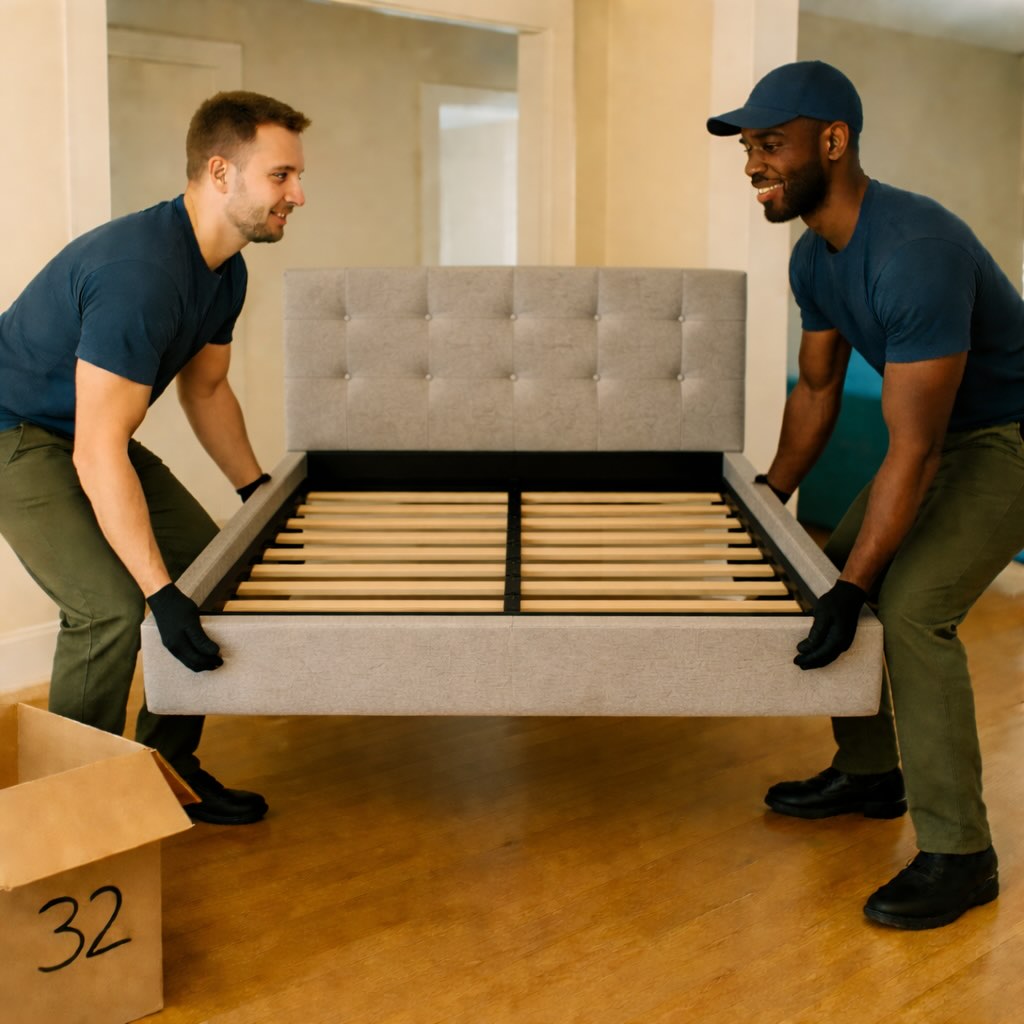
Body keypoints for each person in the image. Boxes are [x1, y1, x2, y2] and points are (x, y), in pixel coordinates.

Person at [707, 61, 1024, 929]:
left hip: (1007, 439)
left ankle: (962, 856)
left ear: (834, 141)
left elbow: (916, 451)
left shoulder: (915, 252)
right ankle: (874, 772)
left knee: (911, 607)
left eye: (770, 144)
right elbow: (815, 392)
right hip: (941, 439)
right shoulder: (815, 257)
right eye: (748, 148)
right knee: (834, 564)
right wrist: (774, 495)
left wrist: (858, 590)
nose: (752, 165)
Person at [0, 91, 310, 825]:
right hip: (11, 432)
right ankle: (66, 808)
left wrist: (256, 494)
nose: (299, 194)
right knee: (109, 609)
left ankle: (168, 768)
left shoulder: (225, 271)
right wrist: (156, 592)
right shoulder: (141, 275)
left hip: (81, 431)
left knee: (209, 574)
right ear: (220, 171)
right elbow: (98, 448)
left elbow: (206, 390)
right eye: (281, 176)